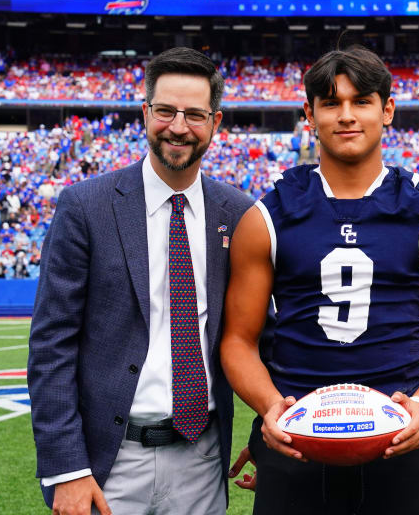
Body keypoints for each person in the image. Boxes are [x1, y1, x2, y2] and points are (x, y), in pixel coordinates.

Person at [220, 45, 419, 514]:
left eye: (361, 101)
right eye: (331, 103)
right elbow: (238, 340)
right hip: (296, 438)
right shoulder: (267, 216)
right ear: (309, 114)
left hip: (402, 442)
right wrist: (272, 408)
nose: (346, 116)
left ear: (387, 110)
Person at [27, 47, 254, 515]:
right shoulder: (85, 206)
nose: (178, 126)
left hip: (202, 455)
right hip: (111, 460)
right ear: (144, 113)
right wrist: (67, 468)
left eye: (194, 114)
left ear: (216, 122)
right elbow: (51, 343)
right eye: (166, 110)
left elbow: (259, 336)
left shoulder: (239, 213)